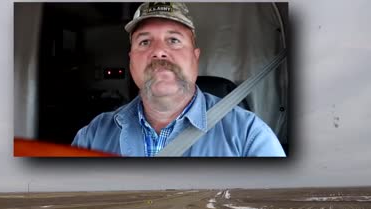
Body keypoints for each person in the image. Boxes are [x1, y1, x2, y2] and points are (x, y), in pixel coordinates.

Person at [72, 2, 285, 157]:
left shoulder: (249, 135)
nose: (159, 52)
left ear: (195, 56)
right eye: (145, 42)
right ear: (131, 61)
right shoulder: (93, 135)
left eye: (173, 40)